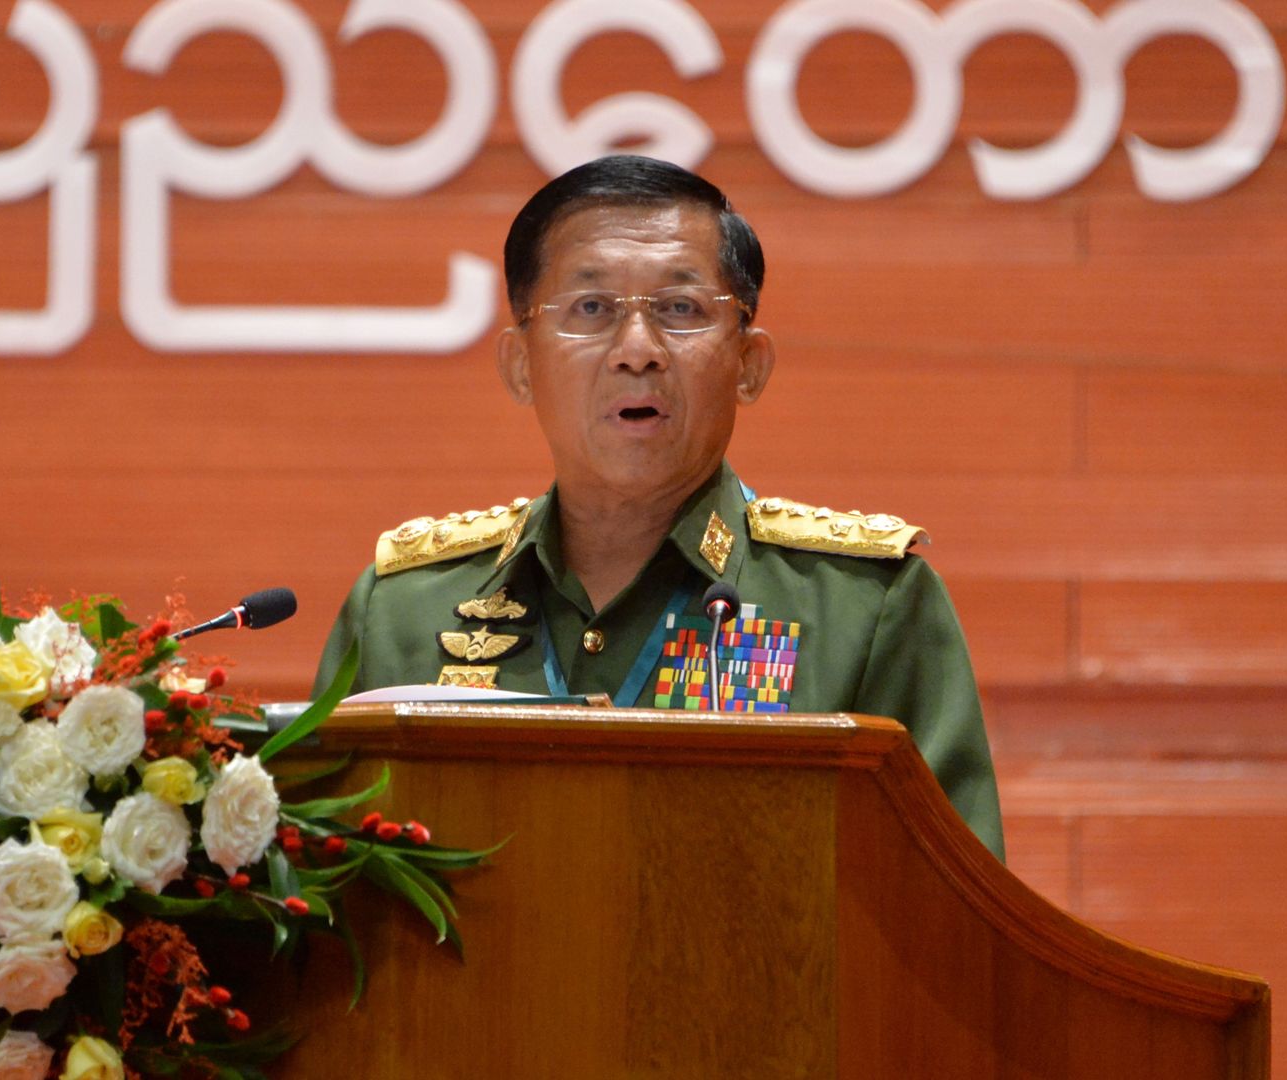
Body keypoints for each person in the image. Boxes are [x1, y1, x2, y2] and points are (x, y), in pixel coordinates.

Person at [312, 155, 1003, 857]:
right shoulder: (402, 610)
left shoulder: (865, 607)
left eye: (680, 310)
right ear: (520, 365)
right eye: (591, 309)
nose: (636, 351)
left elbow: (951, 922)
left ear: (750, 364)